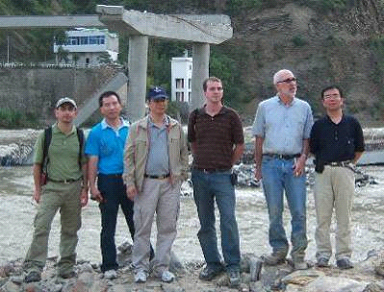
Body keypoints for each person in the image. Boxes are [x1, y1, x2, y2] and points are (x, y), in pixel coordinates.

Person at [124, 86, 188, 283]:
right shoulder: (137, 127)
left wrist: (182, 175)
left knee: (168, 227)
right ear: (149, 103)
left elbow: (184, 153)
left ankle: (162, 267)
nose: (160, 104)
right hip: (146, 183)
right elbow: (128, 157)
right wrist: (130, 182)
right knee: (142, 227)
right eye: (156, 100)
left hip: (170, 183)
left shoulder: (176, 127)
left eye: (163, 100)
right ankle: (140, 267)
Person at [252, 69, 313, 270]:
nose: (292, 83)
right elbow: (259, 138)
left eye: (294, 79)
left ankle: (299, 253)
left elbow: (307, 138)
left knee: (299, 210)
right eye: (287, 80)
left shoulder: (304, 107)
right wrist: (258, 167)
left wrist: (303, 158)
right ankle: (278, 250)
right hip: (271, 164)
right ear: (278, 85)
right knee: (274, 210)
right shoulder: (264, 107)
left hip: (295, 163)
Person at [188, 77, 244, 287]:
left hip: (223, 176)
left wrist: (226, 163)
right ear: (205, 92)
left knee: (228, 220)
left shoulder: (231, 116)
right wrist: (201, 160)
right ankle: (212, 263)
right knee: (205, 222)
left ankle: (233, 265)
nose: (216, 92)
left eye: (219, 88)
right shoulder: (196, 116)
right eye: (212, 89)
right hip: (199, 175)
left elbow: (239, 144)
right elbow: (193, 142)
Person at [24, 97, 88, 282]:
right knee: (41, 226)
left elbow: (84, 165)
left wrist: (85, 189)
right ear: (56, 112)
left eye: (71, 109)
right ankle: (34, 267)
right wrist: (37, 190)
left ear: (75, 113)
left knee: (70, 229)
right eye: (63, 109)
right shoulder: (46, 135)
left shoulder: (80, 136)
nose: (67, 112)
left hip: (74, 187)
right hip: (51, 187)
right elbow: (37, 165)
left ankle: (66, 266)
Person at [309, 85, 364, 269]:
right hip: (323, 171)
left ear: (342, 100)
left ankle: (343, 255)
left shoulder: (352, 123)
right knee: (322, 216)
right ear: (323, 102)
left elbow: (359, 149)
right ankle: (323, 254)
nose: (332, 99)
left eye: (335, 95)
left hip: (345, 170)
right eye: (327, 96)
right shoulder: (318, 125)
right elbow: (313, 149)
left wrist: (348, 166)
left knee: (344, 215)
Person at [86, 91, 138, 279]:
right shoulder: (95, 132)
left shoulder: (131, 129)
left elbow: (138, 156)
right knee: (108, 225)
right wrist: (92, 186)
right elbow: (93, 160)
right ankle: (109, 265)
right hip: (107, 180)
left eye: (114, 103)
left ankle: (145, 260)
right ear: (101, 109)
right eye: (107, 104)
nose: (111, 107)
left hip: (128, 180)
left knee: (136, 222)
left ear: (120, 105)